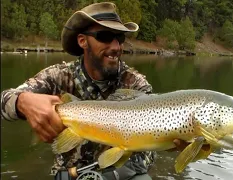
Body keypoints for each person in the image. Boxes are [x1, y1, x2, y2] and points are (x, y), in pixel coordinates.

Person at [1, 2, 192, 180]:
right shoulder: (57, 77)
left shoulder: (136, 84)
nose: (116, 46)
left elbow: (154, 137)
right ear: (83, 41)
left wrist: (172, 143)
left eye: (120, 38)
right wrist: (22, 102)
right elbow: (4, 99)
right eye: (105, 37)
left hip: (127, 175)